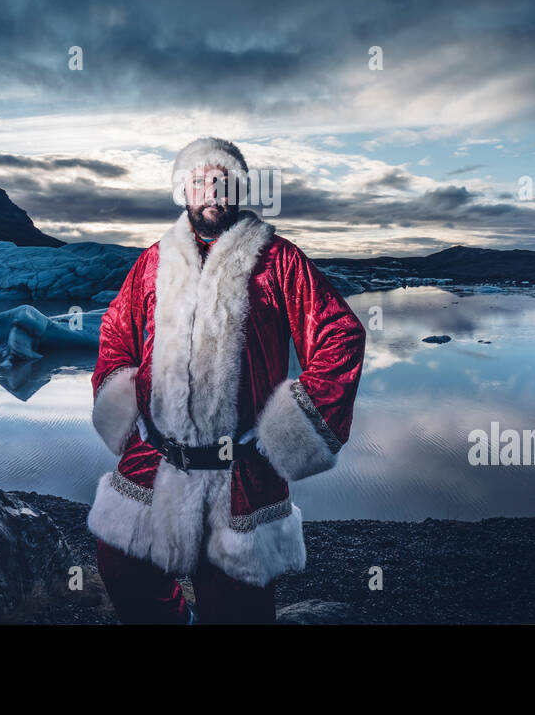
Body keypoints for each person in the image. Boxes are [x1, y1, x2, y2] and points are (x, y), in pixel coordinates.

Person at [86, 136, 367, 623]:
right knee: (123, 564)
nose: (211, 192)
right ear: (184, 191)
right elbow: (115, 333)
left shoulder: (279, 261)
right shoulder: (153, 262)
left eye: (222, 182)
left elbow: (340, 335)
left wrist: (288, 428)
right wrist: (126, 415)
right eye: (199, 181)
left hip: (243, 467)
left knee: (237, 603)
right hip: (157, 455)